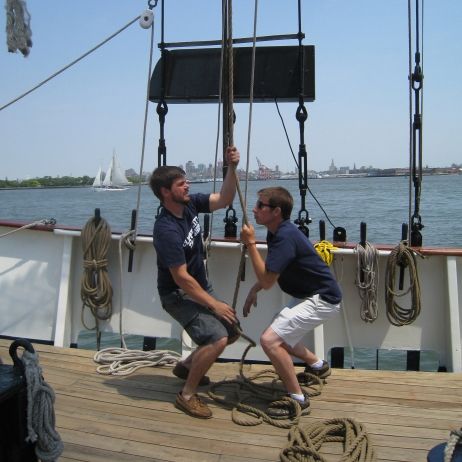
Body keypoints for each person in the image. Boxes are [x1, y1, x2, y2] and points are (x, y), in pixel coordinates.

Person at [149, 146, 240, 419]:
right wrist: (214, 305)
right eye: (181, 183)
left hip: (198, 287)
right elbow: (180, 277)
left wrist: (232, 168)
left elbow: (224, 199)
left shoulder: (189, 204)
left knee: (232, 329)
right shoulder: (166, 229)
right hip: (177, 294)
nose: (187, 185)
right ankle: (186, 395)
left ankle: (187, 365)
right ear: (166, 192)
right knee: (217, 337)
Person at [240, 186, 342, 414]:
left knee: (269, 340)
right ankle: (318, 366)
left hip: (323, 298)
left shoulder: (284, 236)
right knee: (280, 336)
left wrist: (250, 244)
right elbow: (272, 273)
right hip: (308, 295)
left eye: (260, 206)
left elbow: (268, 281)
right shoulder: (276, 231)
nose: (254, 210)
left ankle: (298, 398)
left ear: (276, 211)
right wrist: (254, 289)